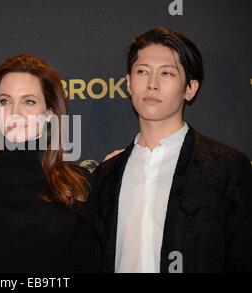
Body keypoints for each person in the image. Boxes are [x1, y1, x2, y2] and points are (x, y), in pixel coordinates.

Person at [86, 27, 252, 273]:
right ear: (129, 84)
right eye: (142, 72)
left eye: (167, 73)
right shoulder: (106, 175)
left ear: (190, 88)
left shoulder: (227, 168)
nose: (152, 84)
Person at [0, 54, 98, 272]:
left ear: (50, 113)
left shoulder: (78, 183)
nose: (14, 113)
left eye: (29, 102)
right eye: (5, 101)